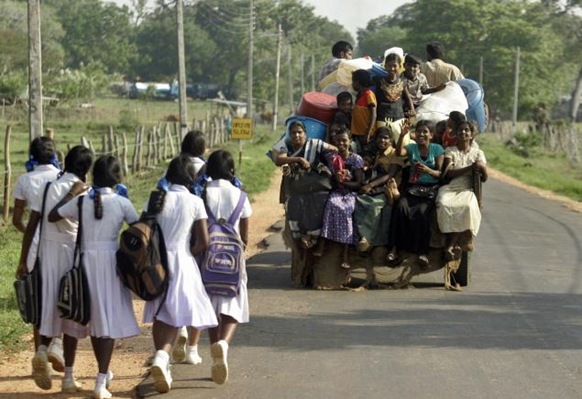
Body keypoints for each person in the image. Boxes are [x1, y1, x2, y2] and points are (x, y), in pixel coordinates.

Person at [48, 155, 140, 399]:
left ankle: (68, 376)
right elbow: (139, 229)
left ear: (93, 177)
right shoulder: (121, 202)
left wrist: (73, 193)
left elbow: (53, 215)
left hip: (84, 262)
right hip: (110, 264)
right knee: (105, 324)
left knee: (75, 318)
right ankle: (100, 381)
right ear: (117, 178)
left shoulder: (80, 201)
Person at [17, 145, 94, 392]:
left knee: (46, 304)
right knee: (72, 312)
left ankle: (41, 349)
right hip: (71, 255)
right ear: (85, 170)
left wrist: (22, 260)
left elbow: (31, 226)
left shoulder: (48, 187)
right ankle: (69, 377)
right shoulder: (84, 192)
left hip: (46, 254)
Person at [143, 155, 218, 394]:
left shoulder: (155, 198)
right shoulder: (195, 201)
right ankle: (162, 358)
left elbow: (144, 229)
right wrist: (189, 251)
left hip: (155, 262)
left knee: (160, 313)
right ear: (191, 177)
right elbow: (204, 241)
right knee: (176, 316)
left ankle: (161, 359)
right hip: (182, 260)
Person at [12, 136, 63, 370]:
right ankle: (58, 346)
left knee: (37, 300)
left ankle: (39, 355)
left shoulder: (25, 179)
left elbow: (17, 219)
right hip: (62, 244)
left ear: (31, 156)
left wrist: (29, 234)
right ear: (55, 155)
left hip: (34, 247)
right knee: (64, 296)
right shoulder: (63, 178)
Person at [202, 150, 253, 385]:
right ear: (231, 170)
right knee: (233, 302)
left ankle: (214, 347)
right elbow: (245, 235)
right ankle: (224, 344)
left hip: (207, 253)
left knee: (210, 303)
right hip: (233, 255)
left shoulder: (202, 193)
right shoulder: (240, 195)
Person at [274, 121, 337, 250]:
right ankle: (300, 235)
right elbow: (279, 160)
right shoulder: (286, 144)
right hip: (296, 184)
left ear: (305, 134)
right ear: (289, 134)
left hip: (314, 183)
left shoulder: (314, 144)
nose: (296, 135)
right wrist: (298, 159)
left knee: (321, 199)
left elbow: (334, 149)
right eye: (293, 133)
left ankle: (314, 236)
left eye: (299, 132)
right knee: (296, 202)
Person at [390, 120, 445, 268]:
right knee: (400, 208)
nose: (421, 134)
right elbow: (398, 152)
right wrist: (402, 135)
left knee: (422, 214)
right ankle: (395, 249)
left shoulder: (437, 149)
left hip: (430, 190)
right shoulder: (412, 148)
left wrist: (427, 170)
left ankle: (423, 252)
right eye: (419, 131)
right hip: (412, 189)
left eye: (425, 132)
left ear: (431, 135)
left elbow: (440, 173)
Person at [436, 121, 488, 261]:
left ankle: (451, 244)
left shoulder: (478, 153)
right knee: (443, 203)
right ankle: (448, 241)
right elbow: (449, 173)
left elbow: (484, 177)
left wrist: (479, 167)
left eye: (466, 130)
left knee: (468, 206)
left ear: (472, 134)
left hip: (467, 188)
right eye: (460, 130)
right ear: (456, 133)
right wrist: (471, 168)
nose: (463, 133)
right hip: (451, 187)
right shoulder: (450, 150)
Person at [355, 127, 405, 252]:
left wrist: (370, 186)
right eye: (379, 138)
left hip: (388, 187)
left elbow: (390, 174)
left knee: (375, 205)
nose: (382, 140)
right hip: (376, 185)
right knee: (358, 201)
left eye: (385, 138)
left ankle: (367, 239)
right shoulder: (377, 154)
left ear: (391, 140)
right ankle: (361, 237)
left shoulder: (395, 153)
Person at [320, 128, 364, 269]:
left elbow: (358, 183)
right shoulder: (330, 158)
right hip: (336, 191)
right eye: (338, 140)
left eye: (344, 140)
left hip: (350, 192)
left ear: (350, 142)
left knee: (346, 210)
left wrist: (343, 182)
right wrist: (335, 178)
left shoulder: (356, 159)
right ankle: (323, 242)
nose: (341, 143)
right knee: (331, 204)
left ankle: (346, 252)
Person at [373, 53, 415, 146]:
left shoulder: (403, 81)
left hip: (399, 117)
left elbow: (408, 98)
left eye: (394, 66)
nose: (392, 68)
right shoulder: (379, 80)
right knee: (383, 145)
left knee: (403, 144)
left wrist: (412, 112)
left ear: (400, 66)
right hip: (382, 117)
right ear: (385, 66)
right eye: (389, 66)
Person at [351, 69, 377, 154]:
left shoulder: (368, 94)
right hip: (358, 133)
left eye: (353, 81)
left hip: (366, 134)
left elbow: (373, 114)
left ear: (358, 82)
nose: (352, 84)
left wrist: (368, 133)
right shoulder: (358, 95)